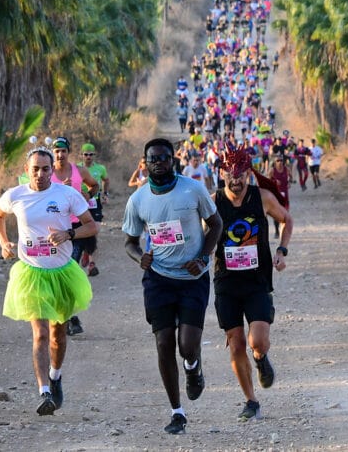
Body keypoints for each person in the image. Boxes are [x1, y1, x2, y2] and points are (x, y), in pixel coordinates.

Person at [122, 138, 223, 435]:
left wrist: (204, 256)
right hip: (158, 279)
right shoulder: (138, 200)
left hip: (192, 277)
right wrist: (141, 258)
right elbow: (129, 242)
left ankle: (193, 367)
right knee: (164, 342)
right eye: (153, 159)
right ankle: (177, 411)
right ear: (145, 162)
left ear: (173, 160)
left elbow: (215, 223)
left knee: (187, 345)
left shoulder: (192, 189)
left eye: (164, 158)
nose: (159, 163)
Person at [0, 148, 99, 416]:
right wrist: (4, 243)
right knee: (39, 333)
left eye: (45, 169)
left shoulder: (67, 194)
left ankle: (56, 375)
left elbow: (91, 225)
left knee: (57, 336)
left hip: (61, 272)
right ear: (26, 170)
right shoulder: (15, 195)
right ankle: (44, 392)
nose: (40, 174)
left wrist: (68, 233)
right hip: (31, 272)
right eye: (35, 168)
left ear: (53, 170)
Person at [212, 149, 292, 422]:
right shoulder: (213, 203)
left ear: (249, 174)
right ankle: (251, 401)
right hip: (225, 280)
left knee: (257, 341)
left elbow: (286, 220)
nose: (236, 183)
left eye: (241, 177)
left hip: (257, 280)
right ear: (222, 175)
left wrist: (281, 250)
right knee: (235, 344)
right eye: (230, 177)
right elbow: (200, 234)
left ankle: (260, 359)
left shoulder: (263, 198)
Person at [49, 136, 99, 336]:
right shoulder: (47, 172)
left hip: (76, 230)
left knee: (68, 270)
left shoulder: (79, 171)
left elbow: (94, 186)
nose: (60, 154)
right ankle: (68, 317)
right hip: (52, 231)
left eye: (63, 151)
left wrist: (86, 196)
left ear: (69, 152)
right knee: (56, 275)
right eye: (56, 151)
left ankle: (70, 318)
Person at [78, 143, 109, 277]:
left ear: (94, 155)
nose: (88, 157)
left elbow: (106, 180)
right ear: (82, 155)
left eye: (91, 154)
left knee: (95, 230)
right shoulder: (76, 169)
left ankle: (91, 263)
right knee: (84, 230)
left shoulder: (100, 168)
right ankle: (86, 250)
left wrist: (105, 194)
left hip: (94, 202)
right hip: (79, 203)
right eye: (86, 154)